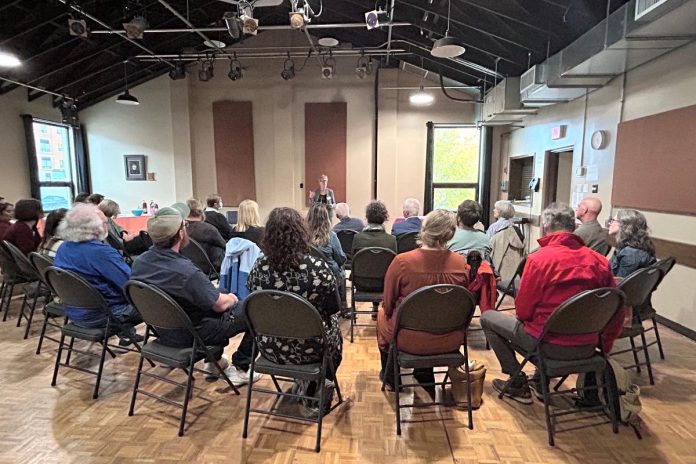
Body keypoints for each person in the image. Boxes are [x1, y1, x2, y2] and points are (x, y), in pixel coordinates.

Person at [481, 203, 617, 404]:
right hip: (588, 346)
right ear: (573, 226)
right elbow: (615, 308)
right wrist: (603, 346)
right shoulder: (599, 261)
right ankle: (539, 380)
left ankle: (518, 381)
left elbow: (523, 311)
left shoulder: (538, 260)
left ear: (545, 225)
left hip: (546, 345)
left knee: (488, 317)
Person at [131, 206, 260, 386]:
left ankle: (214, 363)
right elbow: (220, 305)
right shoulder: (185, 272)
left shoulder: (140, 263)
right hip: (193, 335)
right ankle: (242, 367)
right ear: (181, 233)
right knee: (255, 308)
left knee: (207, 299)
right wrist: (233, 297)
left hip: (164, 331)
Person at [247, 207, 341, 416]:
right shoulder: (317, 268)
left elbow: (253, 300)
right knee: (333, 329)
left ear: (268, 234)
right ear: (301, 233)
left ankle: (306, 382)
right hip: (312, 349)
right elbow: (334, 308)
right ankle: (318, 385)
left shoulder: (258, 268)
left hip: (270, 347)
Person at [377, 209, 470, 390]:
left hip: (408, 339)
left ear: (424, 229)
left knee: (382, 314)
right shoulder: (461, 263)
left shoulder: (402, 262)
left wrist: (387, 311)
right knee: (433, 314)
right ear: (450, 233)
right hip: (451, 338)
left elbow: (388, 303)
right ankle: (424, 374)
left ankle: (391, 378)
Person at [54, 203, 142, 344]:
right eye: (105, 223)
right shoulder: (100, 252)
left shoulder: (63, 248)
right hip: (104, 316)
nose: (107, 226)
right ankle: (170, 346)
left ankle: (127, 334)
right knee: (159, 304)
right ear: (95, 228)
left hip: (75, 312)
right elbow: (131, 285)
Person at [608, 209, 657, 278]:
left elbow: (618, 284)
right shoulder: (631, 247)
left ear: (625, 225)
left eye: (613, 220)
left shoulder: (630, 253)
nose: (609, 223)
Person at [306, 203, 346, 280]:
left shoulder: (303, 235)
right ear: (326, 217)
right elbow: (341, 259)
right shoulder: (331, 236)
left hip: (309, 275)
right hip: (329, 276)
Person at [184, 198, 226, 269]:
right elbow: (224, 246)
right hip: (208, 269)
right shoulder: (209, 229)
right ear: (201, 212)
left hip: (186, 267)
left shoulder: (181, 229)